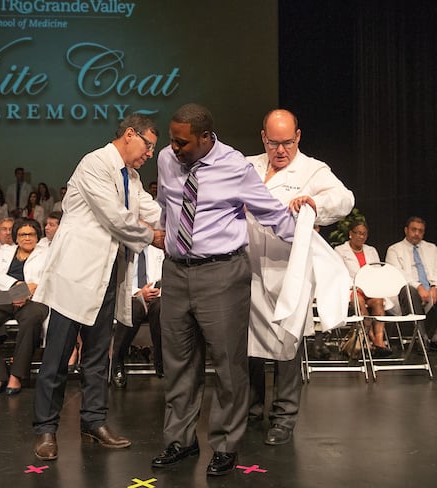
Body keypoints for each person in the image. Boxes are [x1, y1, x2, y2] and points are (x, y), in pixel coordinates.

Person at [152, 103, 296, 477]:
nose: (174, 148)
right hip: (176, 272)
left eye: (182, 142)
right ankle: (181, 441)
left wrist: (307, 241)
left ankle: (227, 444)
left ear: (205, 137)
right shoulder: (168, 160)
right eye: (172, 140)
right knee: (178, 364)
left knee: (229, 365)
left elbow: (273, 213)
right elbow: (167, 207)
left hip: (222, 273)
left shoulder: (235, 166)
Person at [32, 113, 163, 461]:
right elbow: (115, 217)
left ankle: (93, 422)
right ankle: (46, 429)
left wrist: (189, 219)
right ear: (130, 134)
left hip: (106, 277)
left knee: (96, 357)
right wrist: (155, 238)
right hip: (75, 275)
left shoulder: (131, 177)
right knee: (58, 356)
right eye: (148, 145)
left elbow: (151, 209)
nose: (150, 153)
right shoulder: (95, 163)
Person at [247, 108, 354, 447]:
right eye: (274, 143)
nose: (281, 151)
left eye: (288, 143)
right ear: (264, 138)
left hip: (287, 271)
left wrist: (315, 204)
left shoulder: (312, 169)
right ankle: (250, 410)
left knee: (287, 344)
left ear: (299, 137)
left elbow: (344, 199)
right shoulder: (247, 166)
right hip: (247, 269)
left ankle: (284, 416)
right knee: (247, 347)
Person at [0, 218, 49, 396]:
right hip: (7, 292)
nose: (27, 238)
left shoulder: (47, 253)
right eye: (23, 234)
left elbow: (49, 277)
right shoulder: (5, 252)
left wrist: (27, 291)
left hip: (36, 298)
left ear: (38, 236)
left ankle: (16, 375)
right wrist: (18, 288)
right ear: (16, 237)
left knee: (31, 319)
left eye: (31, 234)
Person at [110, 244, 164, 388]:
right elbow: (117, 281)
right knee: (133, 309)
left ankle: (161, 362)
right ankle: (117, 362)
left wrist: (154, 291)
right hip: (131, 297)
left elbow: (165, 276)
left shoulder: (158, 250)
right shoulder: (123, 250)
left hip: (156, 296)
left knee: (160, 308)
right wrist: (138, 292)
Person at [335, 221, 391, 356]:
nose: (361, 237)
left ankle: (378, 340)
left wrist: (371, 286)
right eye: (358, 233)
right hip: (351, 289)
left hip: (370, 289)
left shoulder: (371, 251)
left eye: (364, 234)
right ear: (350, 234)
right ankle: (368, 337)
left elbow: (377, 271)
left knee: (378, 301)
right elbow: (340, 274)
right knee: (359, 301)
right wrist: (357, 286)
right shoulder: (340, 251)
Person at [385, 216, 437, 351]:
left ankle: (434, 337)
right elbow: (397, 274)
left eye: (420, 231)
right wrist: (418, 286)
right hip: (406, 293)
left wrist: (434, 286)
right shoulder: (394, 249)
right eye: (414, 230)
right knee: (410, 290)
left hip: (430, 289)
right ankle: (421, 339)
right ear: (406, 230)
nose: (417, 234)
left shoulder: (432, 248)